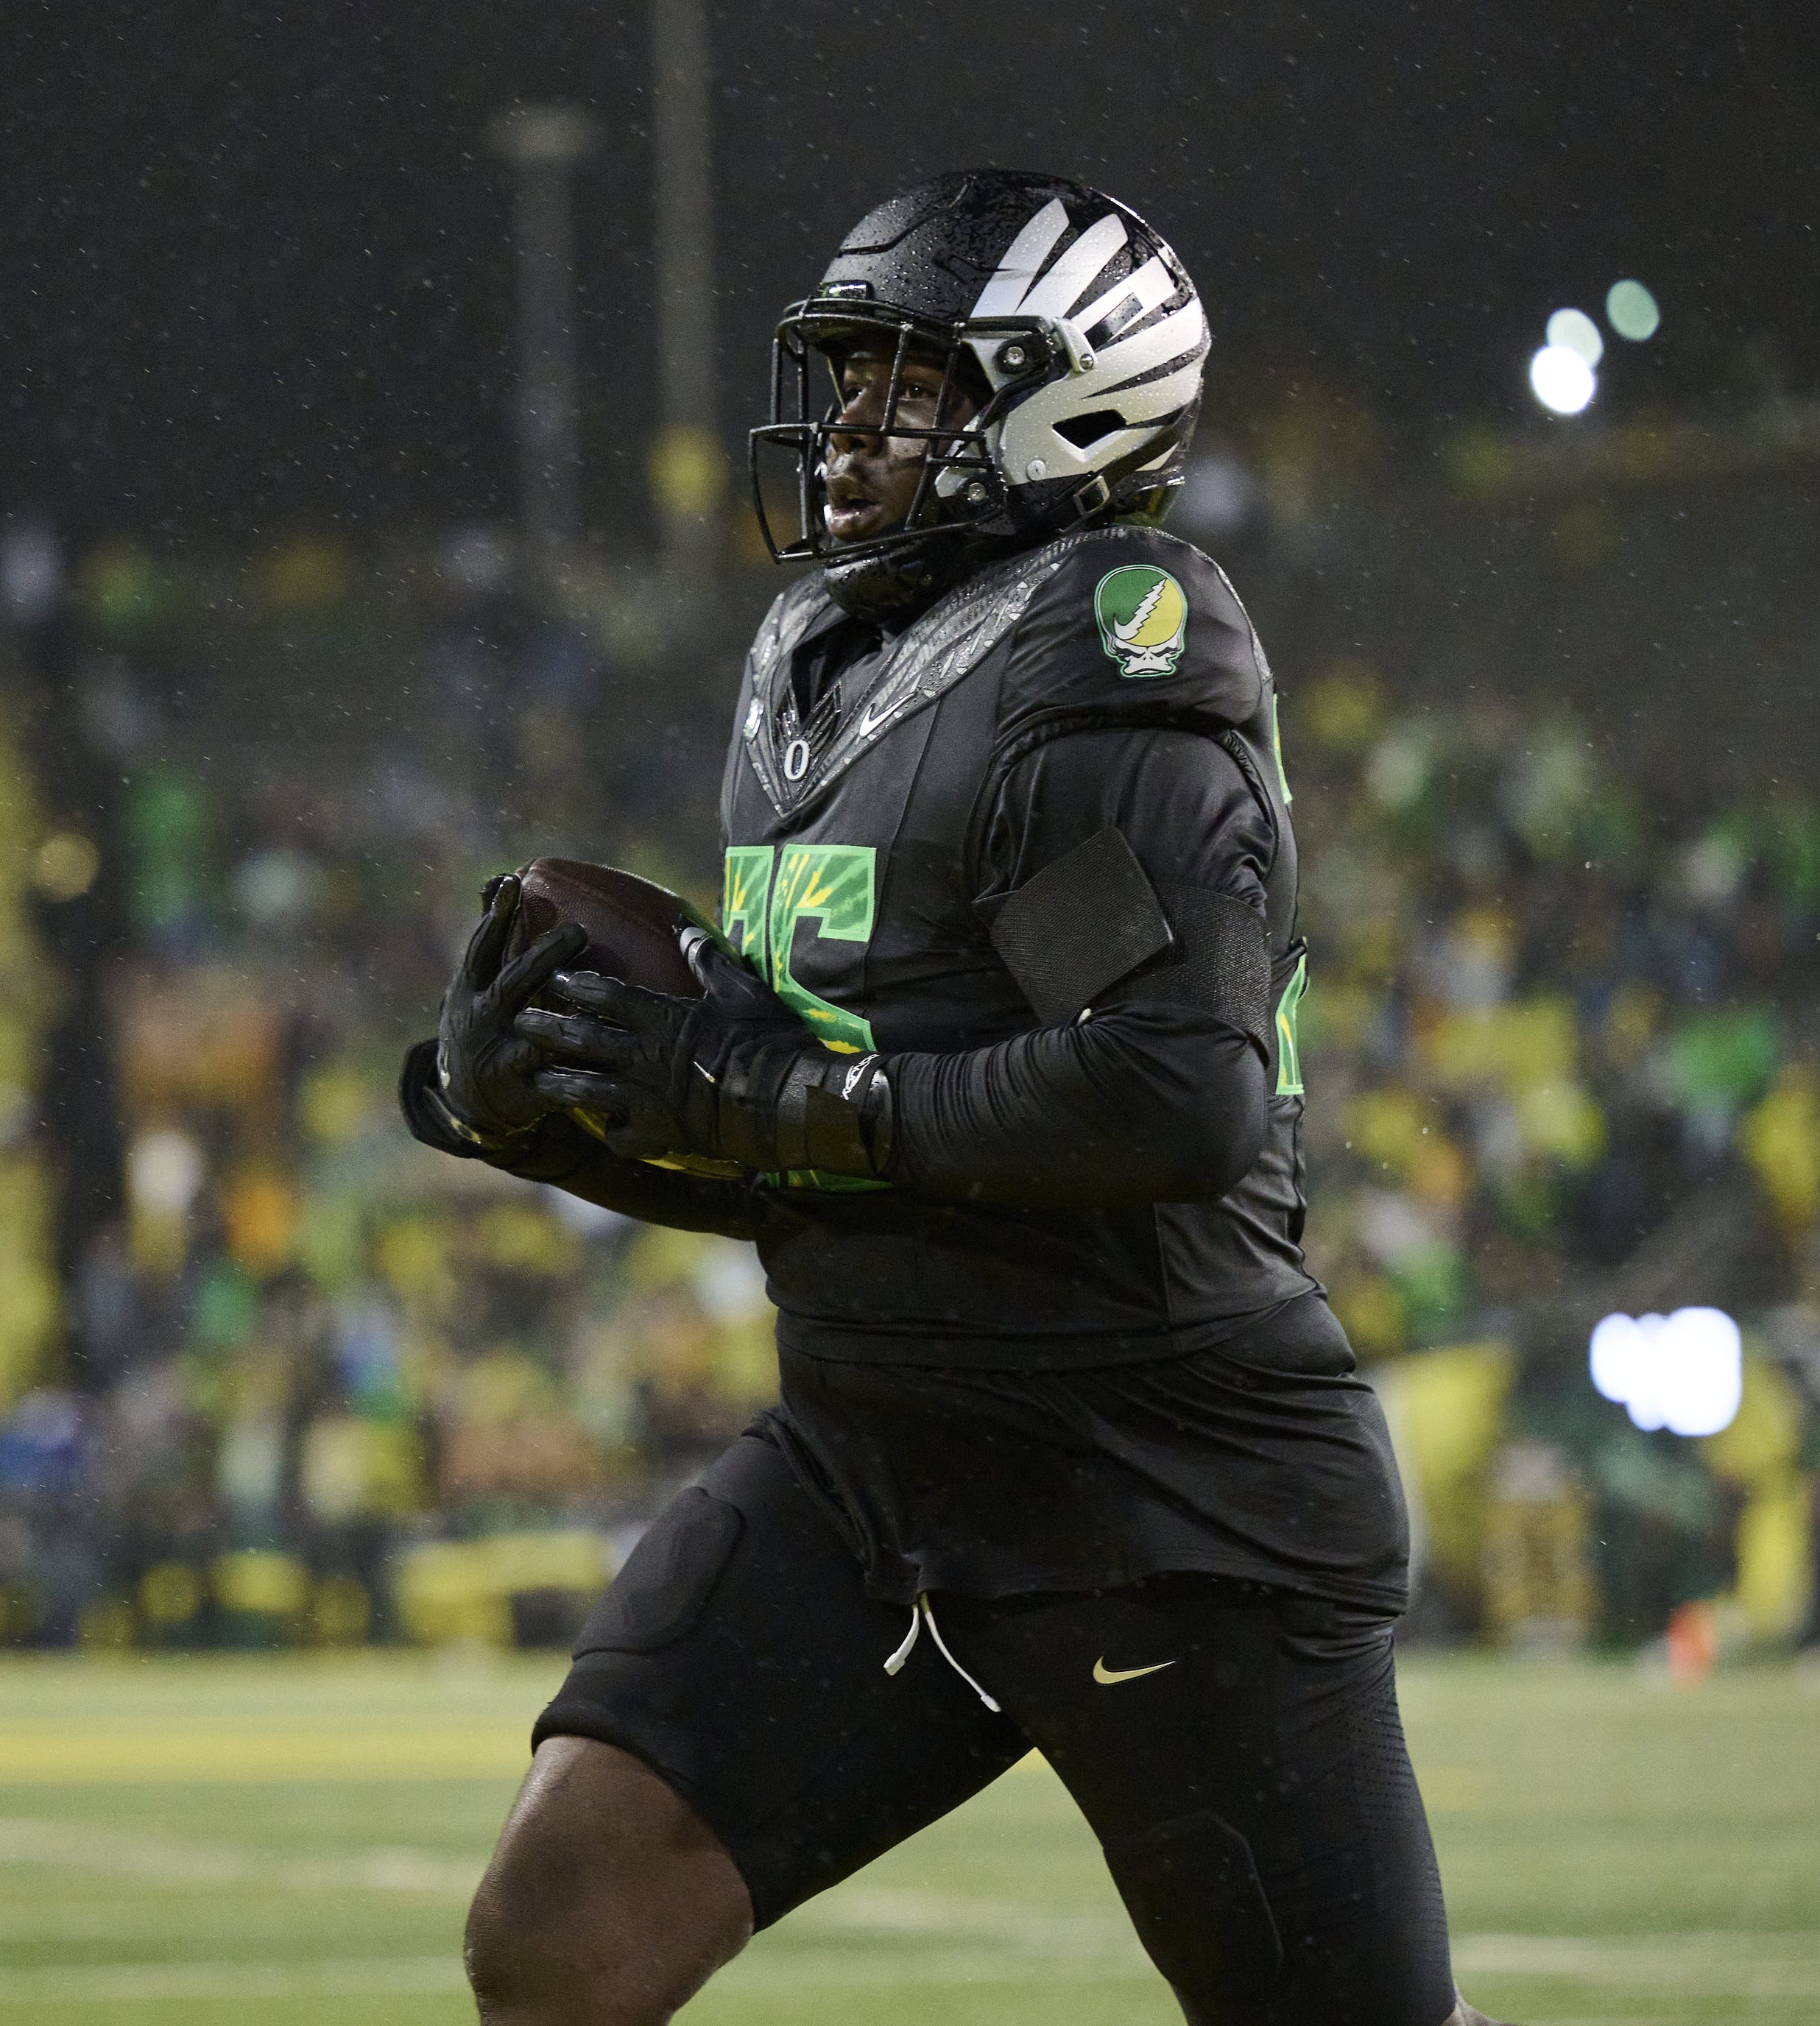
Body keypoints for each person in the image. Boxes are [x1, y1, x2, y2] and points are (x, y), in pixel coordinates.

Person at [403, 170, 1499, 2026]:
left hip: (1154, 1474)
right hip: (875, 1449)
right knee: (562, 1918)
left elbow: (1166, 1092)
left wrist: (758, 1102)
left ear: (1060, 397)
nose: (844, 424)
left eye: (904, 381)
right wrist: (533, 1110)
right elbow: (804, 1142)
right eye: (844, 377)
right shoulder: (814, 656)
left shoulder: (1112, 640)